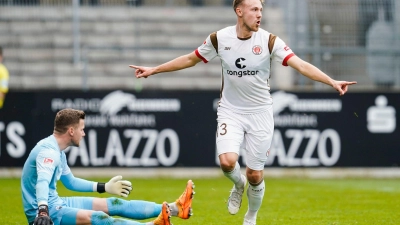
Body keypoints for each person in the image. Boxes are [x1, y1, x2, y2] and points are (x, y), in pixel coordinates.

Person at [128, 0, 357, 224]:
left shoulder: (269, 41)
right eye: (254, 9)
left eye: (261, 9)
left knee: (255, 175)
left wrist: (331, 81)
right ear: (239, 11)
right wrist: (154, 70)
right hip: (231, 111)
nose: (259, 14)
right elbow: (190, 59)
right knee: (228, 162)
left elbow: (301, 64)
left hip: (260, 113)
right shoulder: (219, 39)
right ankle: (238, 186)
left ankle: (251, 217)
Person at [21, 108, 195, 225]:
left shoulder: (58, 151)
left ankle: (175, 208)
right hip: (45, 213)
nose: (84, 133)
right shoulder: (48, 152)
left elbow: (71, 183)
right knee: (99, 218)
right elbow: (42, 182)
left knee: (114, 203)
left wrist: (104, 187)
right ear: (71, 131)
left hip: (55, 203)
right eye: (81, 129)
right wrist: (43, 211)